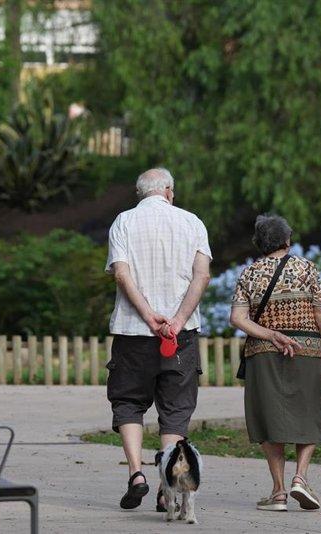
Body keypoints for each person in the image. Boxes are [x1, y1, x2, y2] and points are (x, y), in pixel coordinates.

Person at [104, 167, 212, 511]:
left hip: (133, 332)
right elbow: (202, 276)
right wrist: (177, 320)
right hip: (180, 336)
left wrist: (150, 316)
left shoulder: (123, 222)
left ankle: (136, 474)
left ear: (141, 193)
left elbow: (121, 275)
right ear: (168, 191)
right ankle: (168, 487)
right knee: (175, 410)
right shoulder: (193, 222)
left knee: (128, 402)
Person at [229, 214, 321, 512]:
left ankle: (278, 492)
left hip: (263, 354)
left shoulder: (249, 273)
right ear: (287, 240)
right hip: (307, 350)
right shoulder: (307, 269)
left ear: (259, 243)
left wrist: (270, 334)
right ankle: (300, 478)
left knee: (269, 419)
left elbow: (237, 318)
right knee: (309, 413)